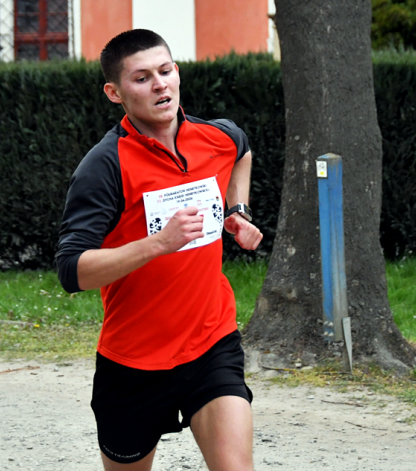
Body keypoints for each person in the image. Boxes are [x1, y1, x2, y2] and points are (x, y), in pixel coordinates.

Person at [55, 29, 263, 471]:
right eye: (142, 78)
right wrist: (157, 244)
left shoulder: (214, 137)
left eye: (166, 72)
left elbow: (242, 148)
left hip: (212, 343)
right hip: (134, 362)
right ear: (114, 92)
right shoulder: (105, 165)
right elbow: (72, 271)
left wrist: (238, 211)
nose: (160, 85)